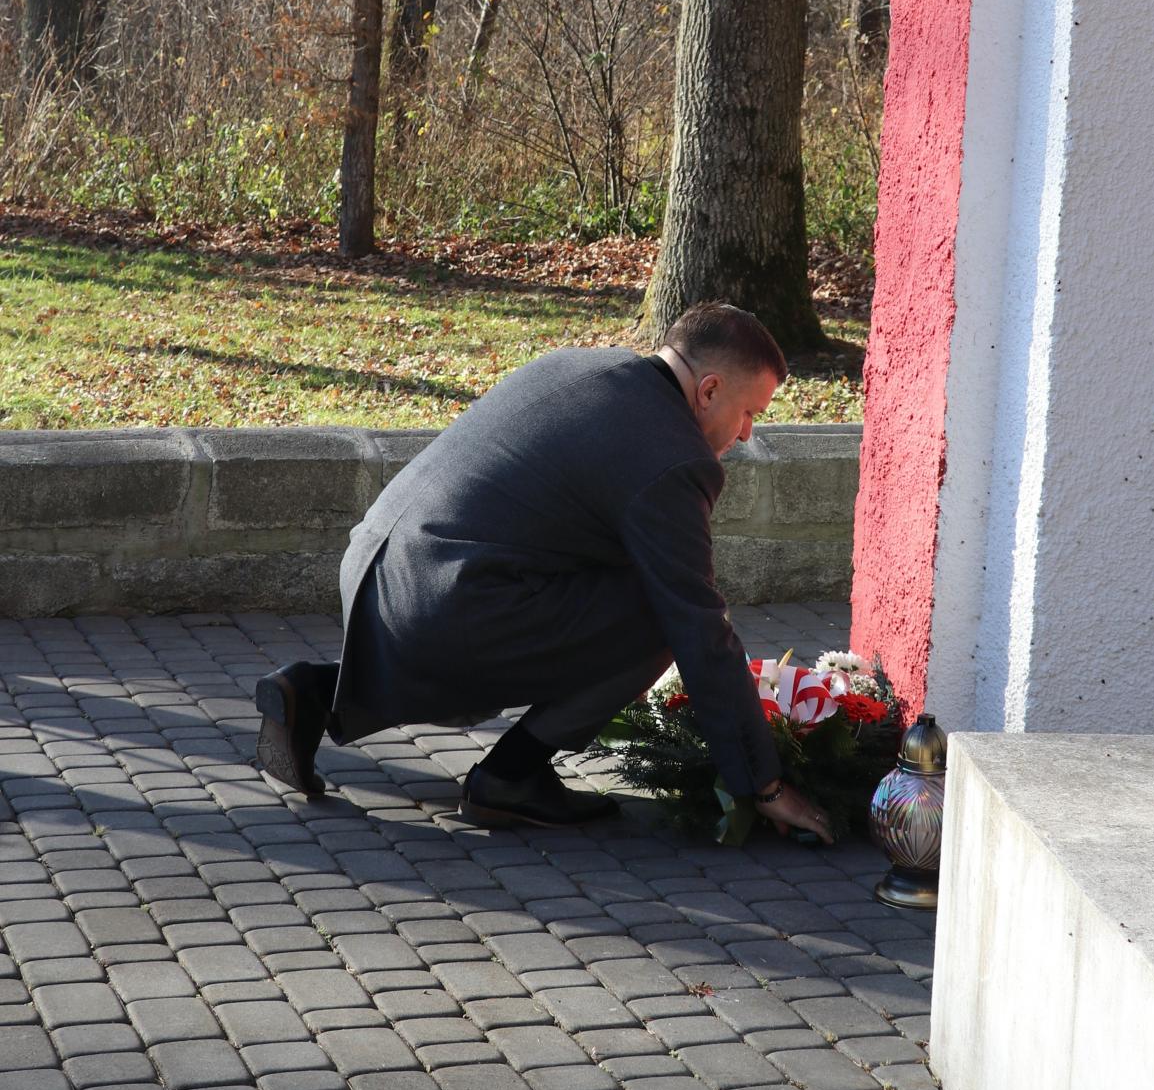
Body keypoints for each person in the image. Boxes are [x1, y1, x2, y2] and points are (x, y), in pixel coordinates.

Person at [254, 301, 832, 842]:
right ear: (709, 390)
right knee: (659, 616)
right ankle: (511, 776)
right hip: (447, 604)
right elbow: (697, 623)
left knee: (593, 602)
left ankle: (315, 692)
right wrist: (764, 783)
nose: (747, 433)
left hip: (378, 576)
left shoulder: (584, 365)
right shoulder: (671, 455)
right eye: (750, 413)